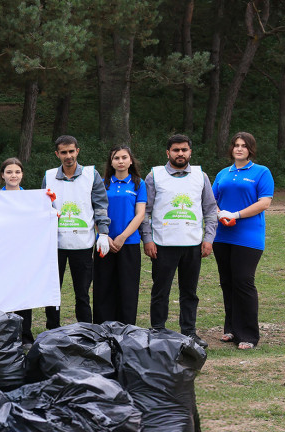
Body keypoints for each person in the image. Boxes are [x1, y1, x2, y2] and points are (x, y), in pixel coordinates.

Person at [140, 134, 218, 342]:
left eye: (184, 150)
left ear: (190, 152)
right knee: (160, 290)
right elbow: (144, 212)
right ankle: (158, 331)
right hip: (162, 244)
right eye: (176, 150)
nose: (180, 153)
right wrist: (147, 239)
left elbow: (210, 210)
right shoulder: (154, 176)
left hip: (193, 244)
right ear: (168, 153)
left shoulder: (201, 176)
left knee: (189, 292)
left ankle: (189, 333)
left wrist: (208, 238)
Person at [212, 132, 274, 349]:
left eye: (243, 146)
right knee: (227, 282)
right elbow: (211, 201)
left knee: (243, 282)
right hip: (222, 236)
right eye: (236, 145)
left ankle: (248, 335)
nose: (239, 149)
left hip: (248, 237)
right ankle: (231, 329)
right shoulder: (223, 173)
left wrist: (235, 215)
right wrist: (220, 213)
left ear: (250, 149)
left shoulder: (261, 172)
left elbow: (264, 203)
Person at [42, 135, 110, 329]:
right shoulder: (48, 177)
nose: (68, 156)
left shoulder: (91, 175)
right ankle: (52, 330)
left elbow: (100, 205)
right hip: (55, 245)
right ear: (57, 154)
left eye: (71, 151)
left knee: (82, 292)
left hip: (83, 243)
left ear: (77, 151)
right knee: (53, 291)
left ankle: (86, 329)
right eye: (63, 152)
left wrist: (103, 233)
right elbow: (43, 207)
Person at [93, 145, 146, 326]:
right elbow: (95, 211)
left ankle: (127, 328)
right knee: (104, 287)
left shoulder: (139, 183)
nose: (120, 161)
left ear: (130, 160)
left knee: (128, 288)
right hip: (104, 242)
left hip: (128, 243)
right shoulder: (101, 182)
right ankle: (103, 328)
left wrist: (123, 236)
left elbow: (140, 214)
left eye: (124, 157)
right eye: (116, 158)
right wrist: (103, 235)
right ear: (111, 162)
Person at [0, 158, 36, 344]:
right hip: (1, 255)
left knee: (23, 296)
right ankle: (3, 338)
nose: (13, 175)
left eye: (17, 172)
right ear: (2, 175)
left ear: (22, 175)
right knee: (2, 296)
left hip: (24, 254)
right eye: (9, 172)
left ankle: (25, 336)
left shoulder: (32, 198)